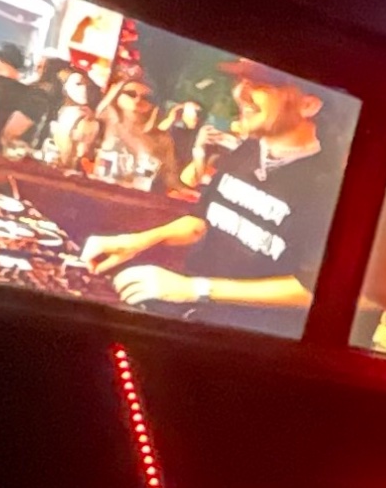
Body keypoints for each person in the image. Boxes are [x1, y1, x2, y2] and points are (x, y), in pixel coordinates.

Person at [80, 56, 347, 335]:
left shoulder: (330, 184)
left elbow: (312, 289)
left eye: (260, 86)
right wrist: (136, 241)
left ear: (308, 105)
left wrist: (195, 289)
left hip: (248, 340)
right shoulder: (247, 150)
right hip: (195, 315)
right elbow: (201, 222)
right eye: (241, 81)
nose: (240, 93)